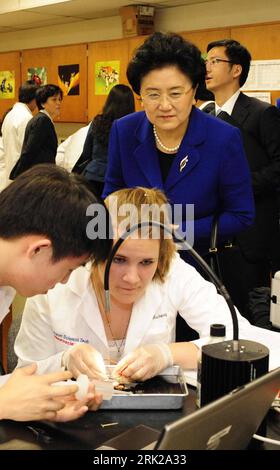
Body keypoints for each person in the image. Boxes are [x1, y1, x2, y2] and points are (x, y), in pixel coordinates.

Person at [14, 187, 280, 384]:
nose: (132, 277)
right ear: (94, 251)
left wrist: (167, 354)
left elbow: (239, 341)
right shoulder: (56, 281)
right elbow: (23, 376)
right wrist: (64, 361)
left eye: (146, 262)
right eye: (118, 259)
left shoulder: (172, 271)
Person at [102, 32, 255, 266]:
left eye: (175, 93)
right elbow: (112, 194)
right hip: (136, 262)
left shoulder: (223, 138)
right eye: (152, 94)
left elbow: (241, 215)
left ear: (193, 91)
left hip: (199, 263)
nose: (164, 105)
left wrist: (179, 231)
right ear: (140, 94)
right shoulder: (124, 131)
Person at [0, 164, 112, 421]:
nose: (64, 281)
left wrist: (46, 399)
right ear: (39, 249)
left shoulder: (5, 287)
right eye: (68, 269)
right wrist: (3, 405)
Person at [205, 39, 280, 316]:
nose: (207, 68)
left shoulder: (261, 113)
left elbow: (278, 167)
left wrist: (239, 187)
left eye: (215, 61)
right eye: (206, 62)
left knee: (247, 314)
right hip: (212, 234)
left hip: (250, 237)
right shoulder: (205, 115)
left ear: (236, 70)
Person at [73, 84, 135, 198]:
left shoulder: (98, 121)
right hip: (119, 181)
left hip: (93, 176)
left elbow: (87, 151)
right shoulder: (132, 126)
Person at [10, 84, 63, 179]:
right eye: (54, 99)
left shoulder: (44, 119)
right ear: (42, 103)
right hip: (38, 175)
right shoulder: (42, 121)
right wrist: (19, 175)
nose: (58, 103)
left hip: (41, 173)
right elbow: (30, 150)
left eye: (59, 99)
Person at [1, 80, 38, 187]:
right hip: (20, 176)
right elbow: (27, 151)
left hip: (9, 174)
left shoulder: (10, 114)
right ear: (34, 98)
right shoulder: (26, 118)